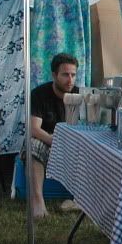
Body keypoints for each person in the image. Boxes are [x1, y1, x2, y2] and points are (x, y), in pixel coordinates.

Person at [22, 53, 79, 218]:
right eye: (65, 75)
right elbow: (34, 129)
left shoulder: (79, 94)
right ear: (54, 75)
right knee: (31, 145)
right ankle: (37, 202)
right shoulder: (39, 94)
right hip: (47, 140)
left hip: (73, 142)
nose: (70, 80)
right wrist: (55, 140)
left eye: (73, 75)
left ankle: (80, 199)